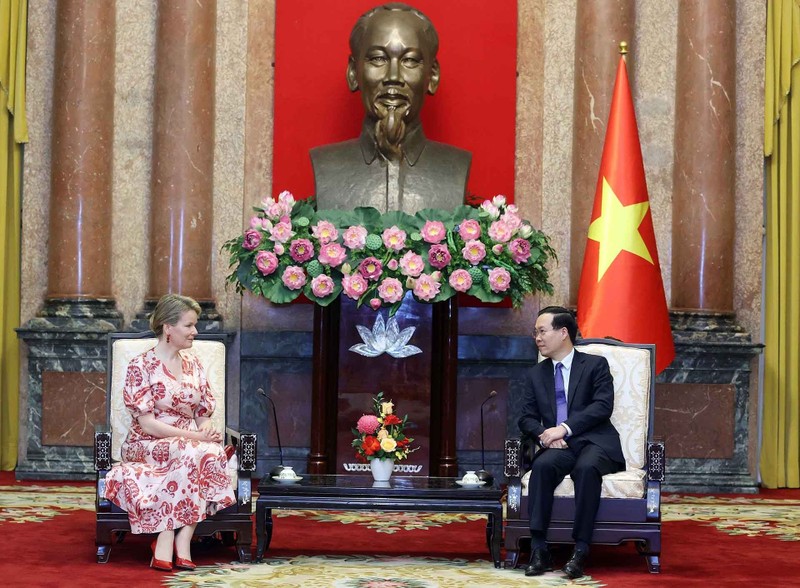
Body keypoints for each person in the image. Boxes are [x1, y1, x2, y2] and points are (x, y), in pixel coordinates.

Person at [102, 294, 235, 572]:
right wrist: (196, 439)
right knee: (196, 451)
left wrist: (206, 433)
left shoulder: (194, 364)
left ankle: (180, 538)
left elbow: (202, 413)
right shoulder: (140, 366)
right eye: (188, 326)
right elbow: (148, 423)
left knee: (208, 453)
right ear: (167, 328)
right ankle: (168, 538)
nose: (194, 332)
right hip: (148, 442)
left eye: (194, 325)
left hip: (189, 443)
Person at [311, 2, 471, 214]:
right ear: (353, 72)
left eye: (410, 60)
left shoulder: (456, 166)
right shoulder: (326, 164)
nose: (393, 77)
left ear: (432, 76)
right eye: (378, 59)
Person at [518, 306, 626, 579]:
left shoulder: (594, 365)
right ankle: (540, 548)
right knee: (541, 467)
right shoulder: (536, 374)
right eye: (535, 333)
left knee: (586, 469)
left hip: (593, 442)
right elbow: (526, 418)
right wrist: (545, 435)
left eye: (542, 331)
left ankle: (580, 550)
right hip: (558, 447)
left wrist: (563, 429)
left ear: (563, 332)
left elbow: (603, 406)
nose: (537, 338)